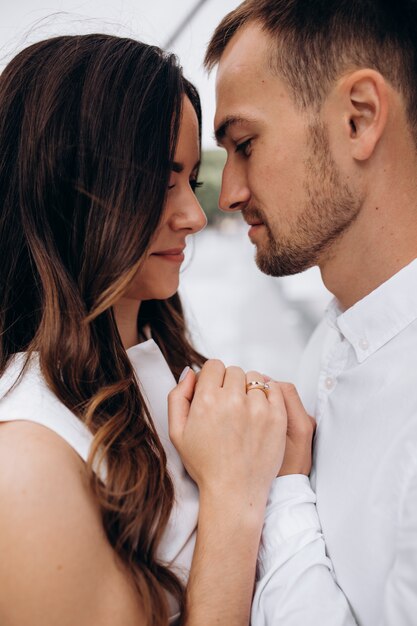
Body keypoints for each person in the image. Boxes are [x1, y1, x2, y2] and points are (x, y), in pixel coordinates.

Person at [0, 33, 300, 626]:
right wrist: (235, 497)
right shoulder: (24, 469)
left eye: (191, 181)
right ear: (67, 185)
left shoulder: (159, 366)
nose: (192, 215)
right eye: (162, 181)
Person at [204, 0, 417, 624]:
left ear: (359, 119)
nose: (230, 193)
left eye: (245, 144)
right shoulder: (330, 341)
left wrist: (282, 493)